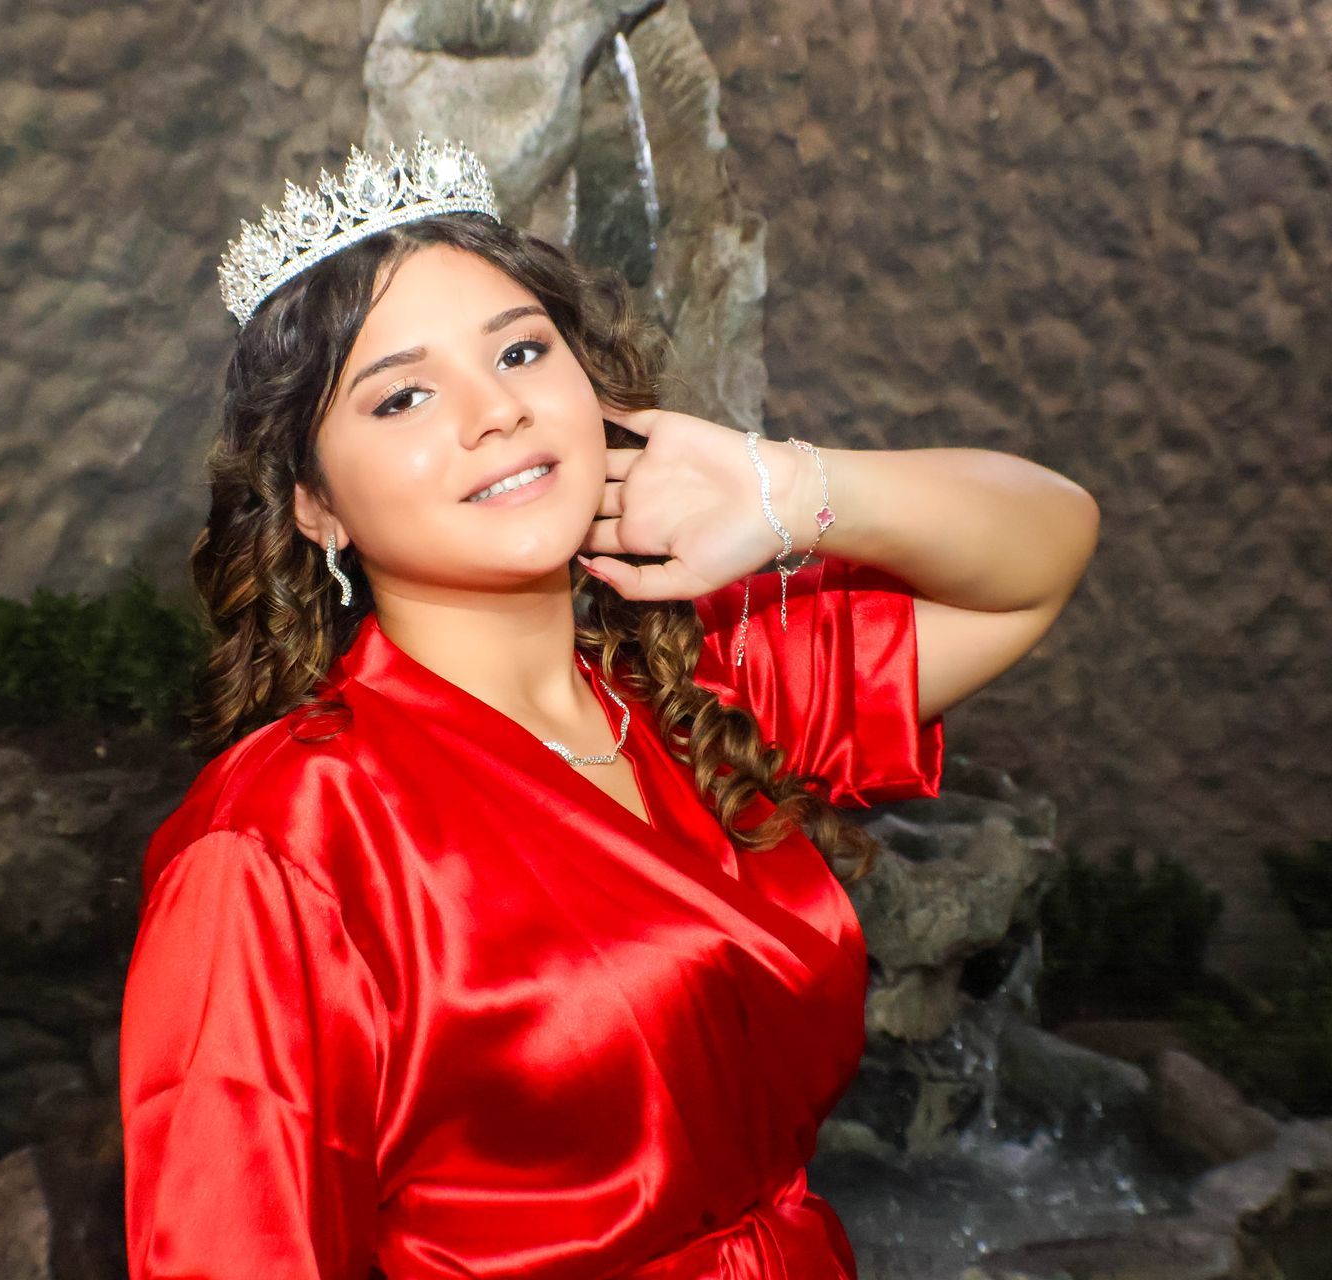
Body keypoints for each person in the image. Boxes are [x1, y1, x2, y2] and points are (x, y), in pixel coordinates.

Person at [118, 137, 1099, 1279]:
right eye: (404, 395)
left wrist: (786, 491)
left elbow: (1046, 545)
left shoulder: (703, 685)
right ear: (317, 506)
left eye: (523, 350)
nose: (495, 411)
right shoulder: (281, 840)